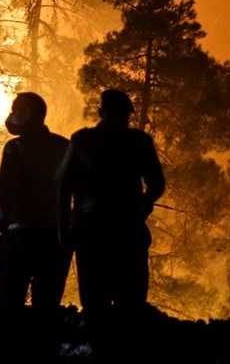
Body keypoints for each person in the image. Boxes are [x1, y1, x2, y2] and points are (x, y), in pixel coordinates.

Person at [57, 88, 165, 363]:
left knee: (100, 305)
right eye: (118, 113)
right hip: (119, 233)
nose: (120, 118)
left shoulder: (83, 141)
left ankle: (107, 355)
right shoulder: (136, 141)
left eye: (121, 114)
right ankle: (120, 356)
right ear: (106, 113)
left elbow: (63, 187)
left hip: (96, 234)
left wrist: (64, 229)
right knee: (124, 304)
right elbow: (156, 184)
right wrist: (143, 205)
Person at [0, 92, 70, 364]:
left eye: (17, 110)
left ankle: (4, 360)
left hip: (18, 239)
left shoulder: (15, 149)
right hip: (54, 241)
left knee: (9, 309)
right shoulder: (63, 147)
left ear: (32, 114)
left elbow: (4, 194)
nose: (12, 114)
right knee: (46, 310)